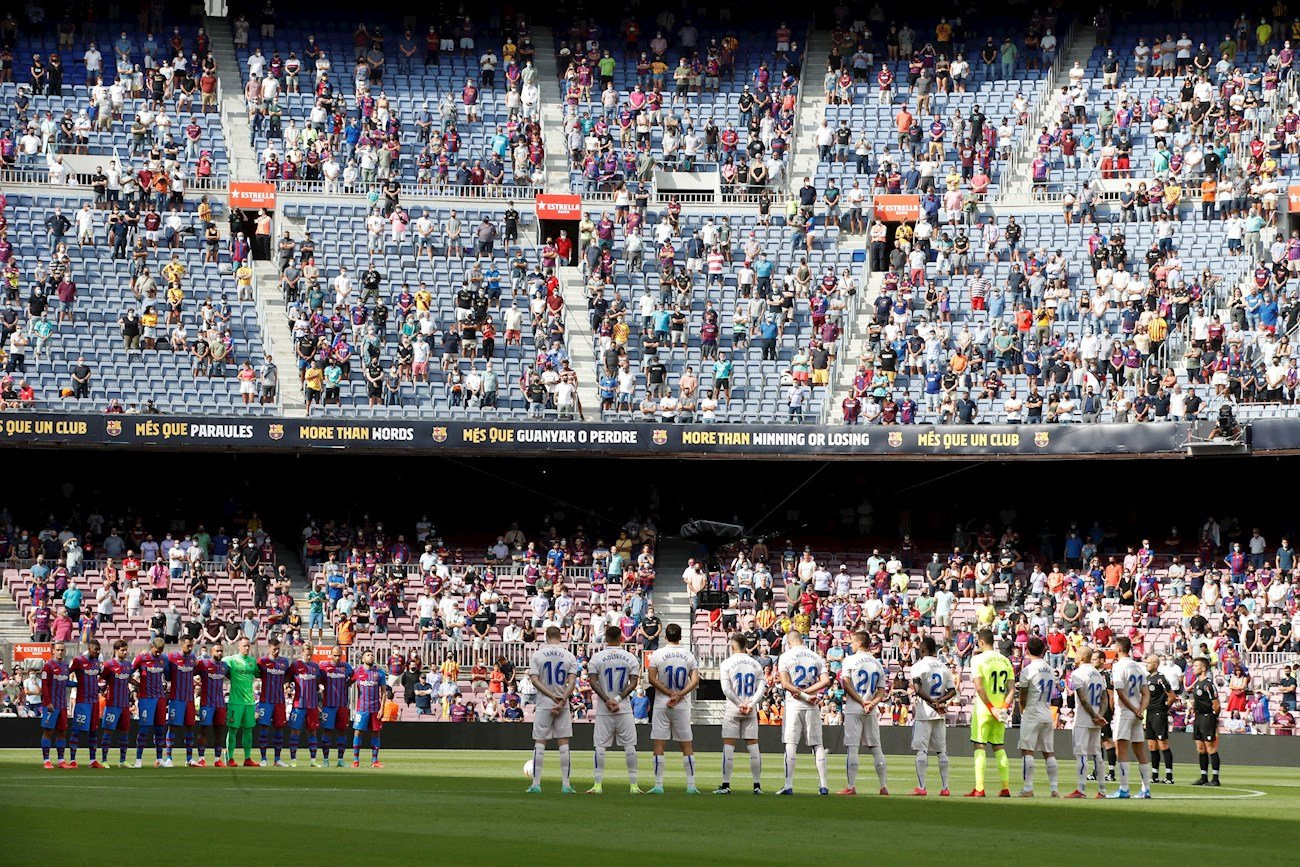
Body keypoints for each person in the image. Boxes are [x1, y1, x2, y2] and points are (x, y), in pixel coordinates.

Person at [586, 624, 643, 794]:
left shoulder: (596, 658)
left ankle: (597, 785)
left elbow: (593, 681)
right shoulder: (630, 657)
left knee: (600, 746)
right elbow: (633, 682)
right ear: (621, 638)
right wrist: (617, 699)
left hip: (605, 708)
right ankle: (633, 785)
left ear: (605, 638)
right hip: (623, 707)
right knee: (630, 745)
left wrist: (607, 700)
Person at [777, 629, 831, 795]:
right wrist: (808, 695)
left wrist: (802, 694)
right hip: (812, 704)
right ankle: (823, 785)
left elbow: (785, 684)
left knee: (791, 743)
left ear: (789, 641)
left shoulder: (785, 656)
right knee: (817, 744)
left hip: (794, 703)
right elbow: (826, 681)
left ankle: (788, 784)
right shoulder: (816, 656)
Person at [647, 623, 700, 793]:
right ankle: (691, 785)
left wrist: (669, 693)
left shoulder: (657, 654)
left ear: (665, 637)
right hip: (681, 704)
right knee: (686, 744)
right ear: (680, 636)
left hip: (662, 702)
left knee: (659, 743)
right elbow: (695, 680)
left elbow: (652, 679)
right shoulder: (688, 655)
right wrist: (679, 694)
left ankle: (658, 785)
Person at [527, 625, 578, 792]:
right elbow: (572, 682)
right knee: (564, 743)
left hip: (544, 703)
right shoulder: (569, 655)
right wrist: (562, 699)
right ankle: (566, 784)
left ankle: (536, 784)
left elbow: (534, 680)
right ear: (561, 636)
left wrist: (550, 696)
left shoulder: (537, 655)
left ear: (546, 636)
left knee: (540, 742)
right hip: (562, 703)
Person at [838, 630, 889, 795]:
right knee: (876, 747)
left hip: (855, 708)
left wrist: (861, 702)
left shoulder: (850, 660)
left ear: (859, 643)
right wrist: (872, 703)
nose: (850, 645)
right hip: (871, 710)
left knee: (853, 747)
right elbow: (882, 689)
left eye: (852, 642)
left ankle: (851, 786)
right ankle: (883, 786)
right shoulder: (877, 663)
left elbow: (845, 684)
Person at [715, 633, 766, 794]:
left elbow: (726, 689)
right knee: (753, 746)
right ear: (746, 645)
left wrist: (739, 704)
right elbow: (761, 689)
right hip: (750, 709)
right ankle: (757, 785)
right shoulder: (756, 664)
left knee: (729, 746)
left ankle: (725, 785)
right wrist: (750, 704)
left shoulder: (726, 663)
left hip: (733, 707)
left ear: (733, 646)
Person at [967, 628, 1012, 797]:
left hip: (984, 709)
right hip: (1001, 708)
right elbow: (1012, 689)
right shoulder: (1005, 661)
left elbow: (979, 687)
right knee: (999, 746)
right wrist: (1003, 708)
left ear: (981, 642)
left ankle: (979, 788)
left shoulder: (977, 659)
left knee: (980, 745)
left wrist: (990, 708)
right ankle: (1005, 787)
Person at [910, 635, 956, 796]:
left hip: (925, 712)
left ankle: (921, 787)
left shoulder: (918, 666)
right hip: (939, 713)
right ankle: (945, 788)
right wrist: (939, 702)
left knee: (922, 750)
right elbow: (952, 691)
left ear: (923, 649)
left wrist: (930, 702)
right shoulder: (944, 667)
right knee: (941, 751)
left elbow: (917, 688)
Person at [1108, 636, 1152, 798]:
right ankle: (1145, 789)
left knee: (1121, 749)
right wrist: (1141, 709)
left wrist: (1134, 709)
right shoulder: (1139, 667)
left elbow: (1119, 691)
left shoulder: (1119, 666)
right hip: (1137, 714)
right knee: (1140, 750)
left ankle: (1124, 788)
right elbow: (1146, 693)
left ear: (1119, 649)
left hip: (1125, 712)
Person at [1016, 636, 1059, 797]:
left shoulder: (1028, 670)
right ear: (1043, 650)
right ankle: (1054, 789)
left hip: (1032, 712)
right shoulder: (1050, 669)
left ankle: (1028, 788)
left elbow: (1023, 695)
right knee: (1049, 752)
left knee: (1027, 751)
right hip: (1047, 713)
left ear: (1027, 650)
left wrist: (1022, 711)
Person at [1067, 646, 1109, 798]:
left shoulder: (1077, 673)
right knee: (1097, 753)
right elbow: (1105, 697)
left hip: (1084, 718)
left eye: (1077, 653)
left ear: (1083, 657)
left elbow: (1083, 699)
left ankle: (1081, 789)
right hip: (1096, 719)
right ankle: (1102, 790)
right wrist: (1100, 715)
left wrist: (1093, 715)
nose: (1075, 655)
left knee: (1081, 753)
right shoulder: (1098, 674)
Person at [131, 637, 170, 767]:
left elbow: (168, 675)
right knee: (143, 729)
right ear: (151, 646)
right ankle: (138, 760)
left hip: (160, 698)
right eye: (157, 650)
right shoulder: (141, 658)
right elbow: (127, 674)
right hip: (146, 698)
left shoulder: (164, 659)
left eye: (161, 651)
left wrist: (164, 684)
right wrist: (138, 685)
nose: (158, 653)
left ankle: (159, 759)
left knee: (160, 729)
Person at [224, 636, 260, 767]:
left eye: (248, 646)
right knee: (232, 730)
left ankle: (247, 758)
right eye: (244, 646)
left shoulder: (252, 662)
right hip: (235, 701)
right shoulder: (231, 660)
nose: (246, 648)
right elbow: (217, 664)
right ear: (238, 647)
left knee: (248, 731)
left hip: (249, 702)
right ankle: (230, 757)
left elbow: (259, 674)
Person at [68, 638, 103, 768]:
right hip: (83, 702)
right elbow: (65, 676)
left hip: (94, 701)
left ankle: (92, 760)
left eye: (99, 650)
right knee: (76, 730)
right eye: (96, 650)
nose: (98, 652)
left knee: (94, 731)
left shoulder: (96, 662)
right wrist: (76, 684)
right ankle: (72, 761)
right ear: (89, 649)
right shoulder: (78, 661)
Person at [256, 637, 292, 766]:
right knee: (264, 728)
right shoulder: (262, 662)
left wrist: (283, 682)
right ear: (269, 648)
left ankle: (277, 759)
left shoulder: (284, 662)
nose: (276, 651)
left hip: (279, 701)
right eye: (274, 649)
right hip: (266, 700)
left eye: (278, 649)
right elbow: (257, 674)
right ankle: (263, 758)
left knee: (279, 728)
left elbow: (288, 675)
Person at [99, 639, 134, 767]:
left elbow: (129, 678)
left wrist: (140, 685)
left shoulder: (128, 665)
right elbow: (101, 679)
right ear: (116, 650)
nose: (125, 653)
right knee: (108, 731)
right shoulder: (109, 665)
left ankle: (122, 760)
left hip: (124, 704)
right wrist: (102, 690)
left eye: (126, 650)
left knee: (125, 731)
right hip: (112, 704)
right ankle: (104, 760)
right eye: (122, 650)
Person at [165, 636, 199, 767]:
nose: (190, 648)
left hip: (189, 699)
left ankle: (189, 759)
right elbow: (167, 674)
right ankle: (168, 758)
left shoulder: (193, 659)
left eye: (191, 645)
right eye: (188, 645)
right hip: (176, 698)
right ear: (181, 644)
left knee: (190, 727)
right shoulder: (171, 657)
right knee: (172, 726)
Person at [319, 644, 355, 766]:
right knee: (327, 731)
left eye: (339, 656)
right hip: (328, 704)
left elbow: (354, 677)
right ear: (331, 654)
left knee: (342, 731)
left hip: (342, 705)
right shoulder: (323, 666)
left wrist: (347, 684)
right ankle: (325, 759)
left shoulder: (347, 667)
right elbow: (318, 679)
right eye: (335, 655)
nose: (337, 658)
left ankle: (340, 759)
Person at [288, 643, 323, 767]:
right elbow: (287, 680)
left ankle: (313, 760)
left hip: (312, 705)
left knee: (312, 732)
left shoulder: (316, 667)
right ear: (301, 652)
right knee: (295, 731)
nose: (308, 656)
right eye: (307, 654)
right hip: (299, 704)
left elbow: (318, 683)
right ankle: (293, 760)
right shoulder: (295, 666)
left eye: (310, 654)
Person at [350, 649, 386, 768]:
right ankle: (356, 760)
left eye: (372, 655)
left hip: (376, 708)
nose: (371, 657)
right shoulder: (357, 671)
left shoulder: (379, 673)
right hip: (362, 708)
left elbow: (384, 692)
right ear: (363, 659)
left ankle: (375, 761)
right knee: (358, 732)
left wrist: (382, 709)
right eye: (368, 655)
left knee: (376, 733)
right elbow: (347, 683)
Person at [39, 640, 71, 768]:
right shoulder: (48, 666)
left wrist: (80, 684)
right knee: (48, 731)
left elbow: (66, 682)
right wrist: (47, 702)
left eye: (62, 650)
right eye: (58, 649)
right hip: (51, 705)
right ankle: (46, 760)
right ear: (53, 650)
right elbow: (45, 686)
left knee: (62, 732)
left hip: (63, 705)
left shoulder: (65, 666)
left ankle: (61, 760)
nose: (60, 652)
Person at [196, 640, 229, 766]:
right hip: (207, 703)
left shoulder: (224, 666)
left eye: (221, 651)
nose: (220, 653)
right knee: (203, 730)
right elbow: (190, 672)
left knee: (219, 731)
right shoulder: (203, 664)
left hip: (220, 703)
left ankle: (217, 759)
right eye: (217, 651)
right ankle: (201, 758)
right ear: (211, 652)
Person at [1144, 654, 1175, 784]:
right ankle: (1154, 775)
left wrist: (1164, 709)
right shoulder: (1146, 679)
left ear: (1155, 665)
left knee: (1163, 744)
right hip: (1149, 713)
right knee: (1151, 745)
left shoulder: (1160, 679)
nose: (1146, 665)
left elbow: (1172, 696)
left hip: (1158, 714)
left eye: (1148, 663)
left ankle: (1169, 776)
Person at [1190, 657, 1221, 786]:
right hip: (1198, 718)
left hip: (1208, 717)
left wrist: (1213, 718)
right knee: (1200, 748)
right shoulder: (1197, 683)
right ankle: (1203, 776)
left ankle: (1215, 778)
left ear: (1203, 668)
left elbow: (1216, 705)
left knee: (1210, 748)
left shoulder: (1208, 684)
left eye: (1195, 666)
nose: (1193, 668)